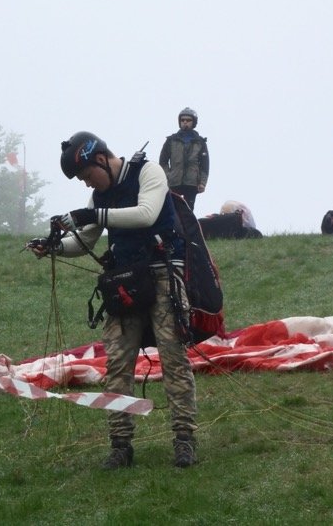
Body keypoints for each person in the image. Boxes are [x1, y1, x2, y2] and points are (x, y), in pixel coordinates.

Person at [27, 131, 198, 470]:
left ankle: (184, 440)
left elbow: (146, 214)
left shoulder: (148, 172)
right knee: (117, 364)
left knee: (174, 359)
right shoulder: (98, 198)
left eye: (87, 174)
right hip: (124, 281)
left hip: (163, 275)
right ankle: (120, 445)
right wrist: (54, 247)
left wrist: (91, 215)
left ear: (102, 159)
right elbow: (84, 241)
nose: (87, 183)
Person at [159, 107, 209, 211]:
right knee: (171, 209)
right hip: (173, 182)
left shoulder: (200, 142)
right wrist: (167, 175)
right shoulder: (171, 140)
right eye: (182, 120)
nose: (185, 122)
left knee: (188, 211)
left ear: (193, 122)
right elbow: (163, 161)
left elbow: (205, 165)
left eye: (188, 120)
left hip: (191, 182)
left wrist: (202, 182)